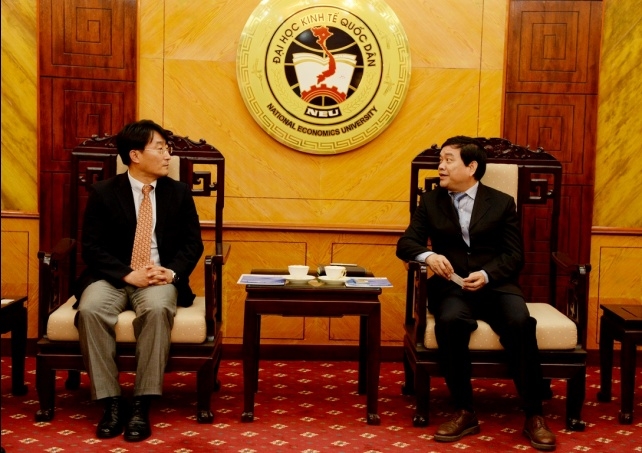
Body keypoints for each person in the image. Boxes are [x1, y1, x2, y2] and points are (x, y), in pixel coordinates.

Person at [396, 136, 556, 451]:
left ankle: (534, 414)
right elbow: (407, 243)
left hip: (496, 286)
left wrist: (486, 275)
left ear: (471, 167)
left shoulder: (501, 202)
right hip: (452, 287)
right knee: (450, 322)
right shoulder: (431, 202)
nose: (440, 167)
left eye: (448, 160)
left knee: (520, 322)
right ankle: (464, 410)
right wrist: (429, 256)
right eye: (440, 160)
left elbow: (514, 256)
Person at [74, 119, 204, 442]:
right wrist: (126, 273)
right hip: (112, 276)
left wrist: (171, 272)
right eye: (160, 148)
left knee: (158, 311)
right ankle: (110, 401)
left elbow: (193, 244)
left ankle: (141, 404)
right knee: (90, 310)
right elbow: (91, 247)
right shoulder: (104, 193)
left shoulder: (178, 193)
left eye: (167, 148)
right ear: (135, 155)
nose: (168, 155)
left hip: (159, 277)